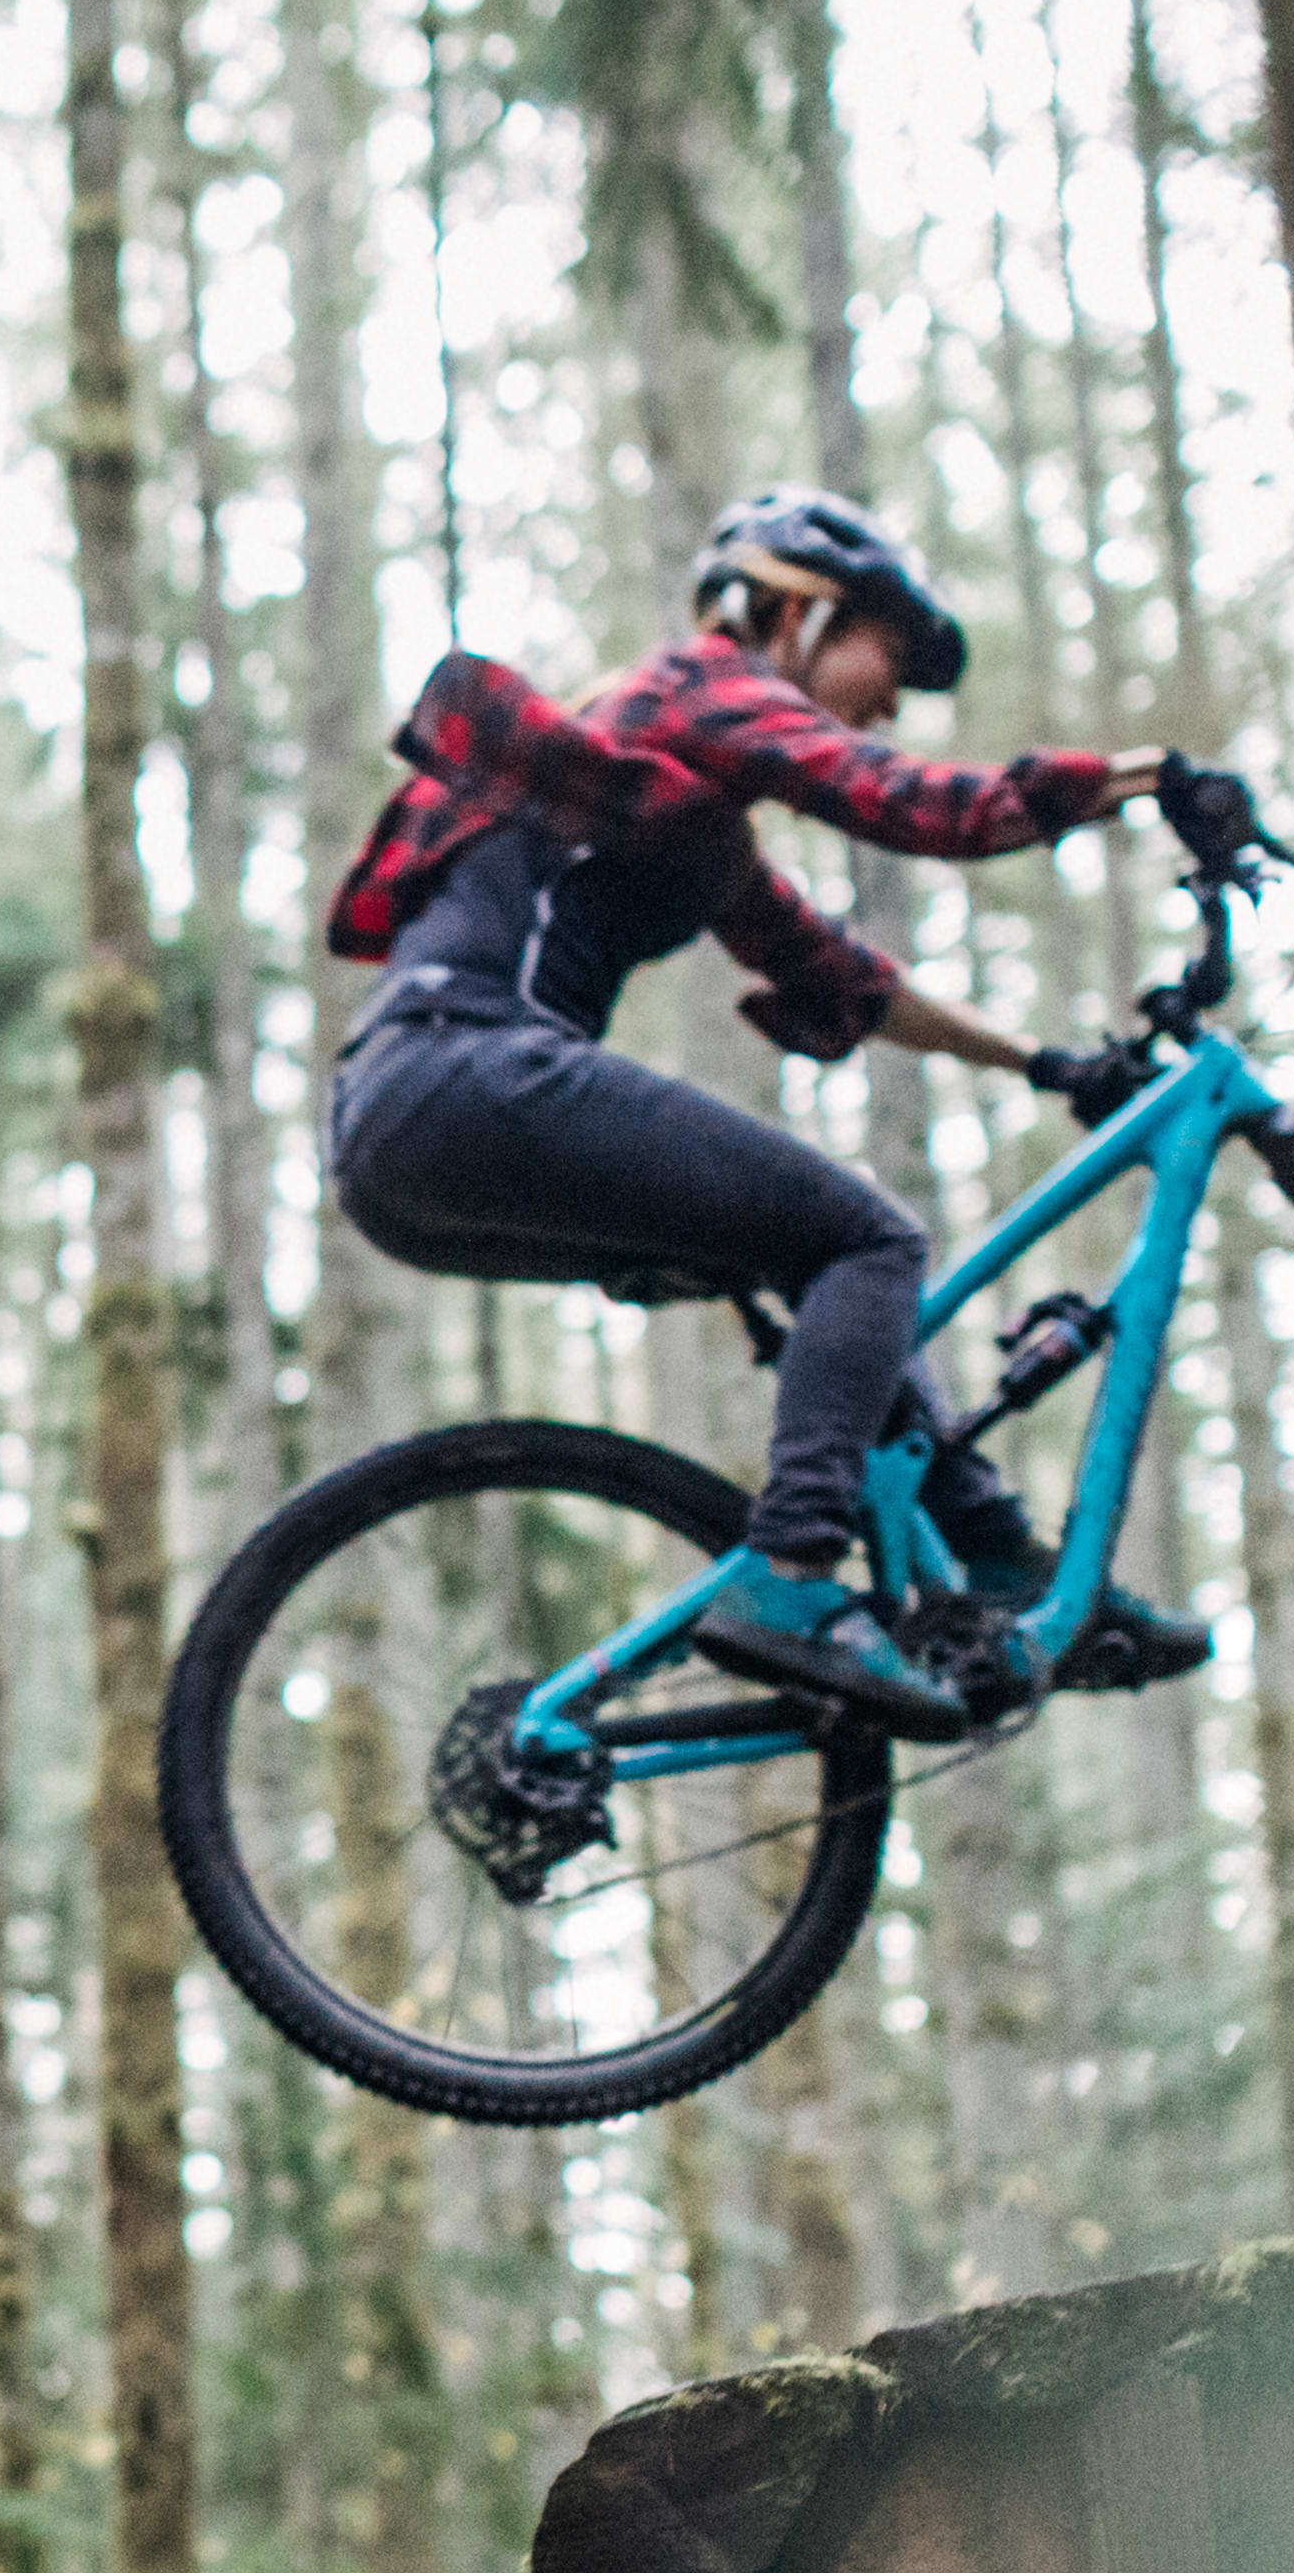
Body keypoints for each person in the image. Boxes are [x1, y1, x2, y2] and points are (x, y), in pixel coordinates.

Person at [323, 485, 1213, 1741]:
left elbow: (838, 978)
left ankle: (997, 1556)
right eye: (882, 658)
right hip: (464, 1074)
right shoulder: (700, 680)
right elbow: (924, 807)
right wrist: (1145, 777)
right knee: (871, 1242)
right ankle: (795, 1579)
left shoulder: (674, 795)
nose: (891, 700)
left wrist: (1043, 1064)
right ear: (792, 615)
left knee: (825, 1265)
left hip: (402, 1132)